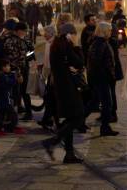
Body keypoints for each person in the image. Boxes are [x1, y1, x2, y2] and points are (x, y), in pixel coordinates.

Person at [41, 23, 85, 164]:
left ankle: (69, 154)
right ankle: (52, 142)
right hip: (67, 87)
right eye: (74, 34)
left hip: (61, 86)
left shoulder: (57, 45)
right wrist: (76, 46)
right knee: (78, 117)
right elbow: (79, 63)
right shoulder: (65, 46)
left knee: (70, 119)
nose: (75, 36)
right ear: (68, 34)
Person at [86, 22, 119, 136]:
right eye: (109, 30)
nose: (111, 32)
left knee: (94, 102)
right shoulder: (100, 44)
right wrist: (110, 75)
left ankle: (79, 121)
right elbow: (99, 63)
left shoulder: (100, 42)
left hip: (99, 77)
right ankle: (105, 127)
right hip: (101, 78)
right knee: (107, 104)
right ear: (104, 31)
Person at [0, 59, 24, 135]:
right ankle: (1, 128)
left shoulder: (9, 74)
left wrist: (18, 75)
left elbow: (17, 81)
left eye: (8, 66)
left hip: (7, 98)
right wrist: (15, 79)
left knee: (6, 113)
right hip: (2, 99)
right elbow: (8, 82)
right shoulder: (0, 75)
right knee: (4, 114)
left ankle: (8, 127)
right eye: (5, 66)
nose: (7, 67)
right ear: (1, 67)